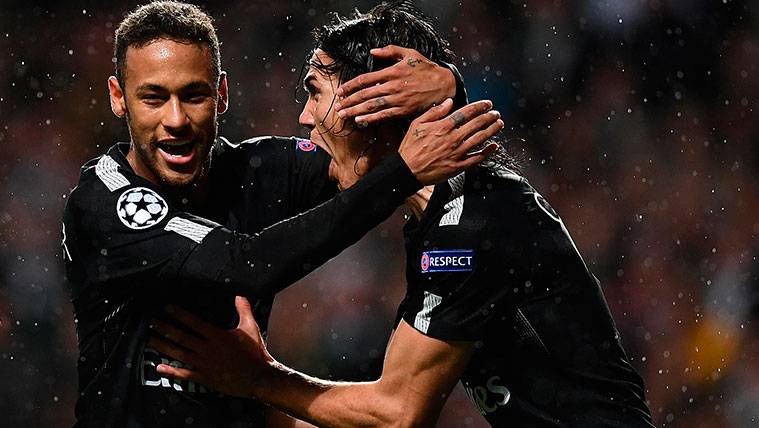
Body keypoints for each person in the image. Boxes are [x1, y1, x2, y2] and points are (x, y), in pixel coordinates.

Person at [151, 2, 657, 427]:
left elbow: (398, 414)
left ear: (374, 104)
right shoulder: (443, 214)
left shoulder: (471, 223)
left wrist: (258, 378)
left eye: (314, 91)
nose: (304, 117)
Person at [61, 1, 502, 426]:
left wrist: (447, 87)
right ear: (119, 98)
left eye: (193, 96)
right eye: (153, 98)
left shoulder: (257, 172)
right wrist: (403, 174)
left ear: (222, 93)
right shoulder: (104, 203)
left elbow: (368, 155)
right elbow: (243, 265)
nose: (176, 119)